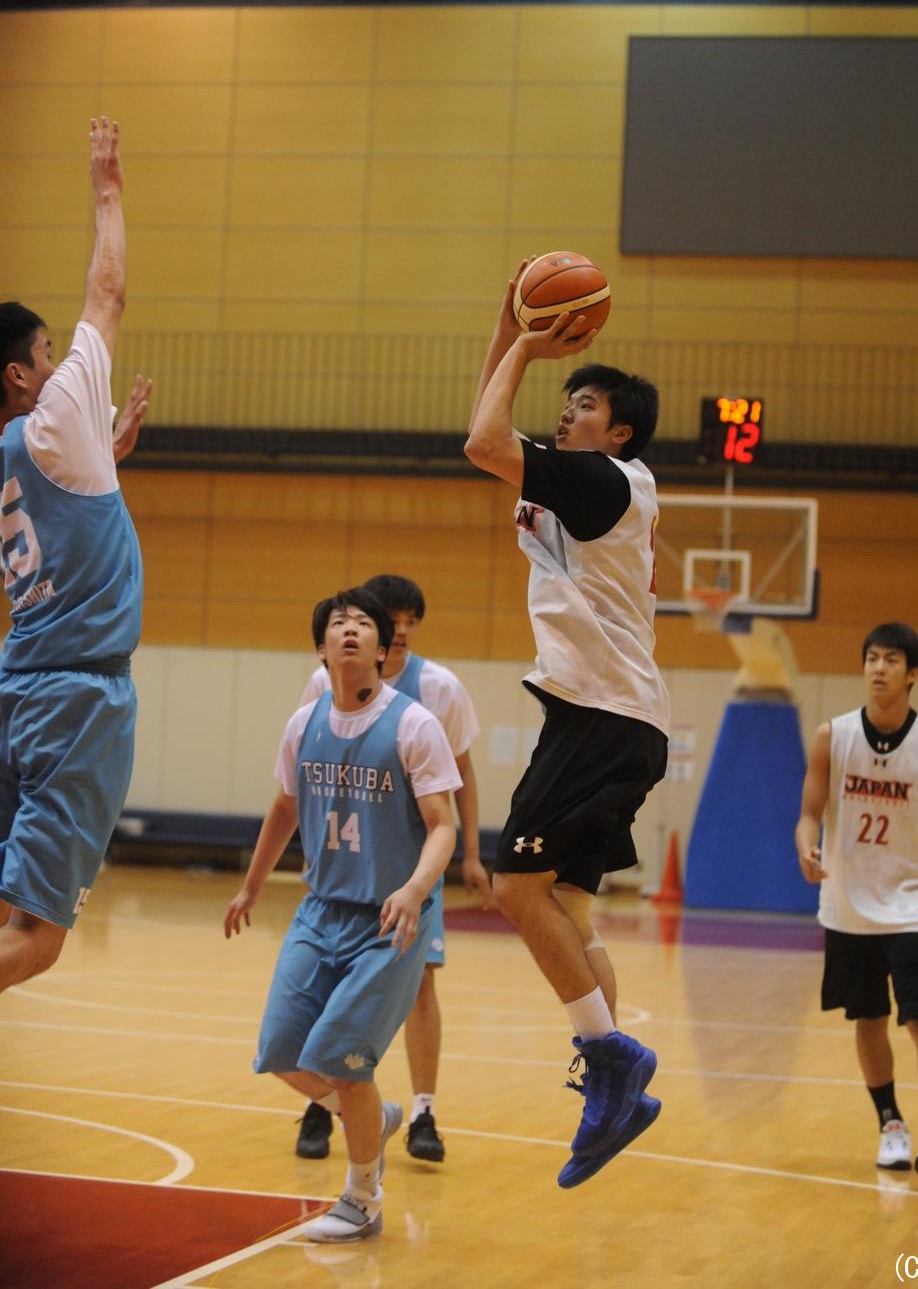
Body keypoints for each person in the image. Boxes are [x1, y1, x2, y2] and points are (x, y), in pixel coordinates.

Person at [463, 264, 670, 1189]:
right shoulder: (581, 486)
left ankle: (611, 1058)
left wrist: (525, 343)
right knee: (571, 911)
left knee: (515, 887)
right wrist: (504, 327)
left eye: (583, 403)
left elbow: (482, 440)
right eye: (567, 400)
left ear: (618, 432)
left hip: (601, 713)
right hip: (617, 717)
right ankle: (612, 1088)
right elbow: (488, 426)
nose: (565, 410)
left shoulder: (605, 481)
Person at [224, 588, 458, 1243]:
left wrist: (414, 889)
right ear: (320, 648)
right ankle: (371, 1120)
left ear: (383, 650)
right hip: (320, 910)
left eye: (362, 624)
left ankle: (362, 1199)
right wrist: (251, 887)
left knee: (342, 1059)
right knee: (280, 1051)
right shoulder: (303, 725)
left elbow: (443, 825)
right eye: (337, 623)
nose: (350, 630)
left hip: (389, 920)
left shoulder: (414, 724)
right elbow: (284, 809)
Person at [0, 118, 148, 993]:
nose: (59, 366)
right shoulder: (55, 418)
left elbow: (58, 519)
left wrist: (109, 456)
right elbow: (108, 294)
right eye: (46, 354)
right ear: (18, 377)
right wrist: (108, 191)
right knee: (37, 938)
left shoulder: (25, 449)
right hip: (78, 697)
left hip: (17, 688)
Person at [295, 572, 489, 1166]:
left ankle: (423, 1109)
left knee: (422, 982)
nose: (400, 628)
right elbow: (305, 769)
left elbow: (463, 775)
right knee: (324, 981)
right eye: (392, 617)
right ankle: (325, 1100)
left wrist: (472, 853)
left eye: (410, 619)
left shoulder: (439, 688)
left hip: (410, 871)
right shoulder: (324, 680)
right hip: (342, 869)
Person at [796, 622, 918, 1187]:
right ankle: (891, 1124)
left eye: (891, 660)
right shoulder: (832, 736)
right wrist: (805, 846)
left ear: (913, 674)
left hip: (913, 906)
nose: (879, 668)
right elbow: (809, 812)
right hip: (848, 905)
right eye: (872, 658)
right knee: (868, 1020)